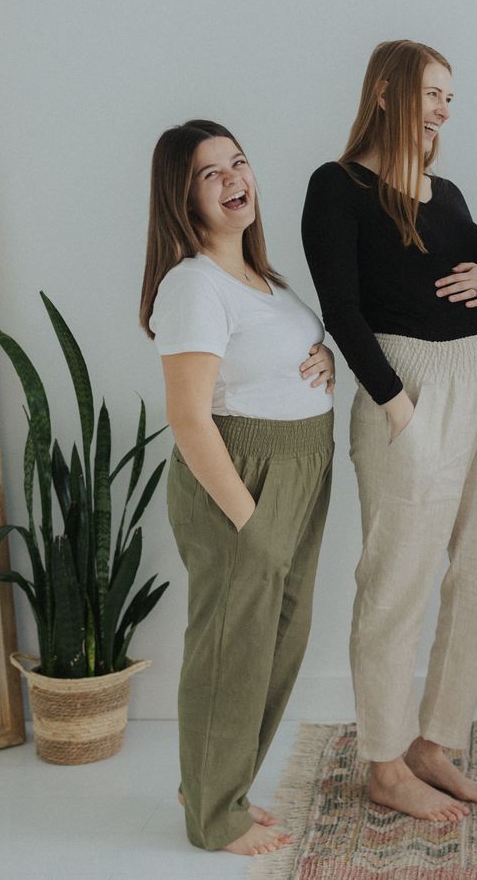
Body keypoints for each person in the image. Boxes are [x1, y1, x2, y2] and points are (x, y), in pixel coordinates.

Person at [301, 40, 477, 822]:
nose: (443, 109)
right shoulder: (339, 185)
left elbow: (475, 271)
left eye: (450, 98)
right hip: (411, 390)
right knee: (398, 579)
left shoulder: (446, 189)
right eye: (432, 92)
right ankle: (386, 762)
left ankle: (433, 741)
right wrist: (397, 407)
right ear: (388, 92)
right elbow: (343, 309)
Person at [141, 119, 337, 857]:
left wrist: (326, 360)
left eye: (239, 162)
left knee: (277, 639)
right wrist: (249, 519)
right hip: (241, 474)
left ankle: (217, 784)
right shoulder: (191, 284)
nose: (233, 179)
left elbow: (277, 359)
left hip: (300, 466)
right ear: (181, 196)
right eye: (208, 173)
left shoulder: (262, 276)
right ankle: (213, 818)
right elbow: (190, 418)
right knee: (231, 644)